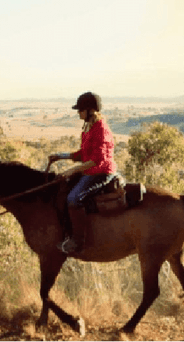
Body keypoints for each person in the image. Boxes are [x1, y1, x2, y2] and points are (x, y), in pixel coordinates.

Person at [49, 92, 117, 254]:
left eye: (80, 110)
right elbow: (84, 154)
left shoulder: (101, 129)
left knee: (74, 198)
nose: (78, 113)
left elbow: (97, 159)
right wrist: (61, 156)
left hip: (101, 172)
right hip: (90, 170)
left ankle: (78, 242)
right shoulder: (89, 128)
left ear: (90, 111)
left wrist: (72, 170)